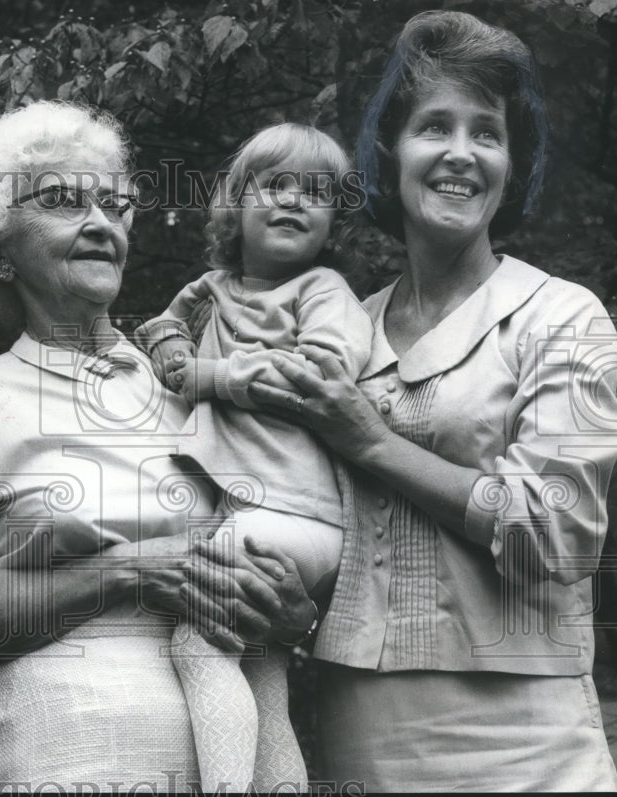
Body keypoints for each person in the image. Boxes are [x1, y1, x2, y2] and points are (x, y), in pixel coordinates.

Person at [248, 10, 617, 791]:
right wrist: (293, 608)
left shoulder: (563, 316)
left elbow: (559, 533)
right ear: (391, 151)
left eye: (487, 132)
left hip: (527, 743)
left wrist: (373, 442)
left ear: (511, 166)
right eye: (434, 127)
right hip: (360, 737)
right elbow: (314, 511)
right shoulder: (341, 327)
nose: (460, 153)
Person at [0, 100, 318, 792]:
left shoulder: (193, 384)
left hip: (225, 754)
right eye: (62, 202)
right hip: (55, 751)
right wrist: (129, 571)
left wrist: (293, 614)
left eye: (114, 204)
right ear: (1, 251)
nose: (101, 224)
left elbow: (288, 531)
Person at [132, 122, 373, 791]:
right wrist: (171, 350)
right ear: (236, 205)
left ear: (334, 224)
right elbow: (162, 328)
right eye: (276, 184)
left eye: (316, 192)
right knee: (259, 666)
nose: (295, 199)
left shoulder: (320, 290)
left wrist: (210, 377)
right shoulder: (213, 288)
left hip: (299, 512)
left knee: (196, 642)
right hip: (258, 510)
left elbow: (321, 374)